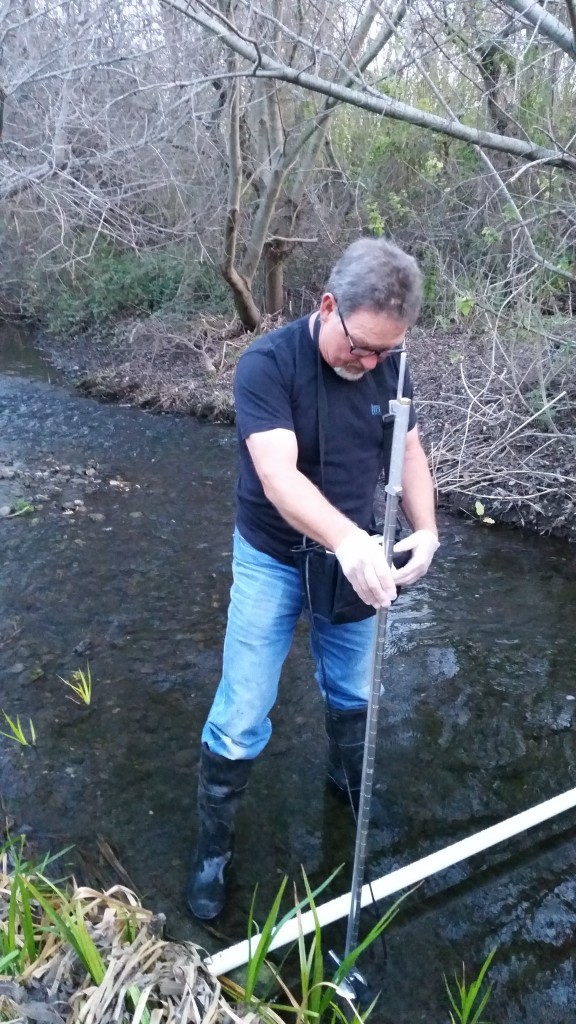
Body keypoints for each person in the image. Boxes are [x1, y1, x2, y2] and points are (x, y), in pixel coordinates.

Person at [187, 237, 439, 920]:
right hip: (274, 556)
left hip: (353, 554)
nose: (371, 363)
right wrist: (349, 539)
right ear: (328, 306)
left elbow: (408, 447)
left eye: (386, 353)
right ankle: (213, 850)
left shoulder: (389, 362)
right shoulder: (268, 364)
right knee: (242, 713)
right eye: (361, 347)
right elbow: (277, 475)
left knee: (354, 691)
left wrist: (428, 529)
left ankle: (345, 784)